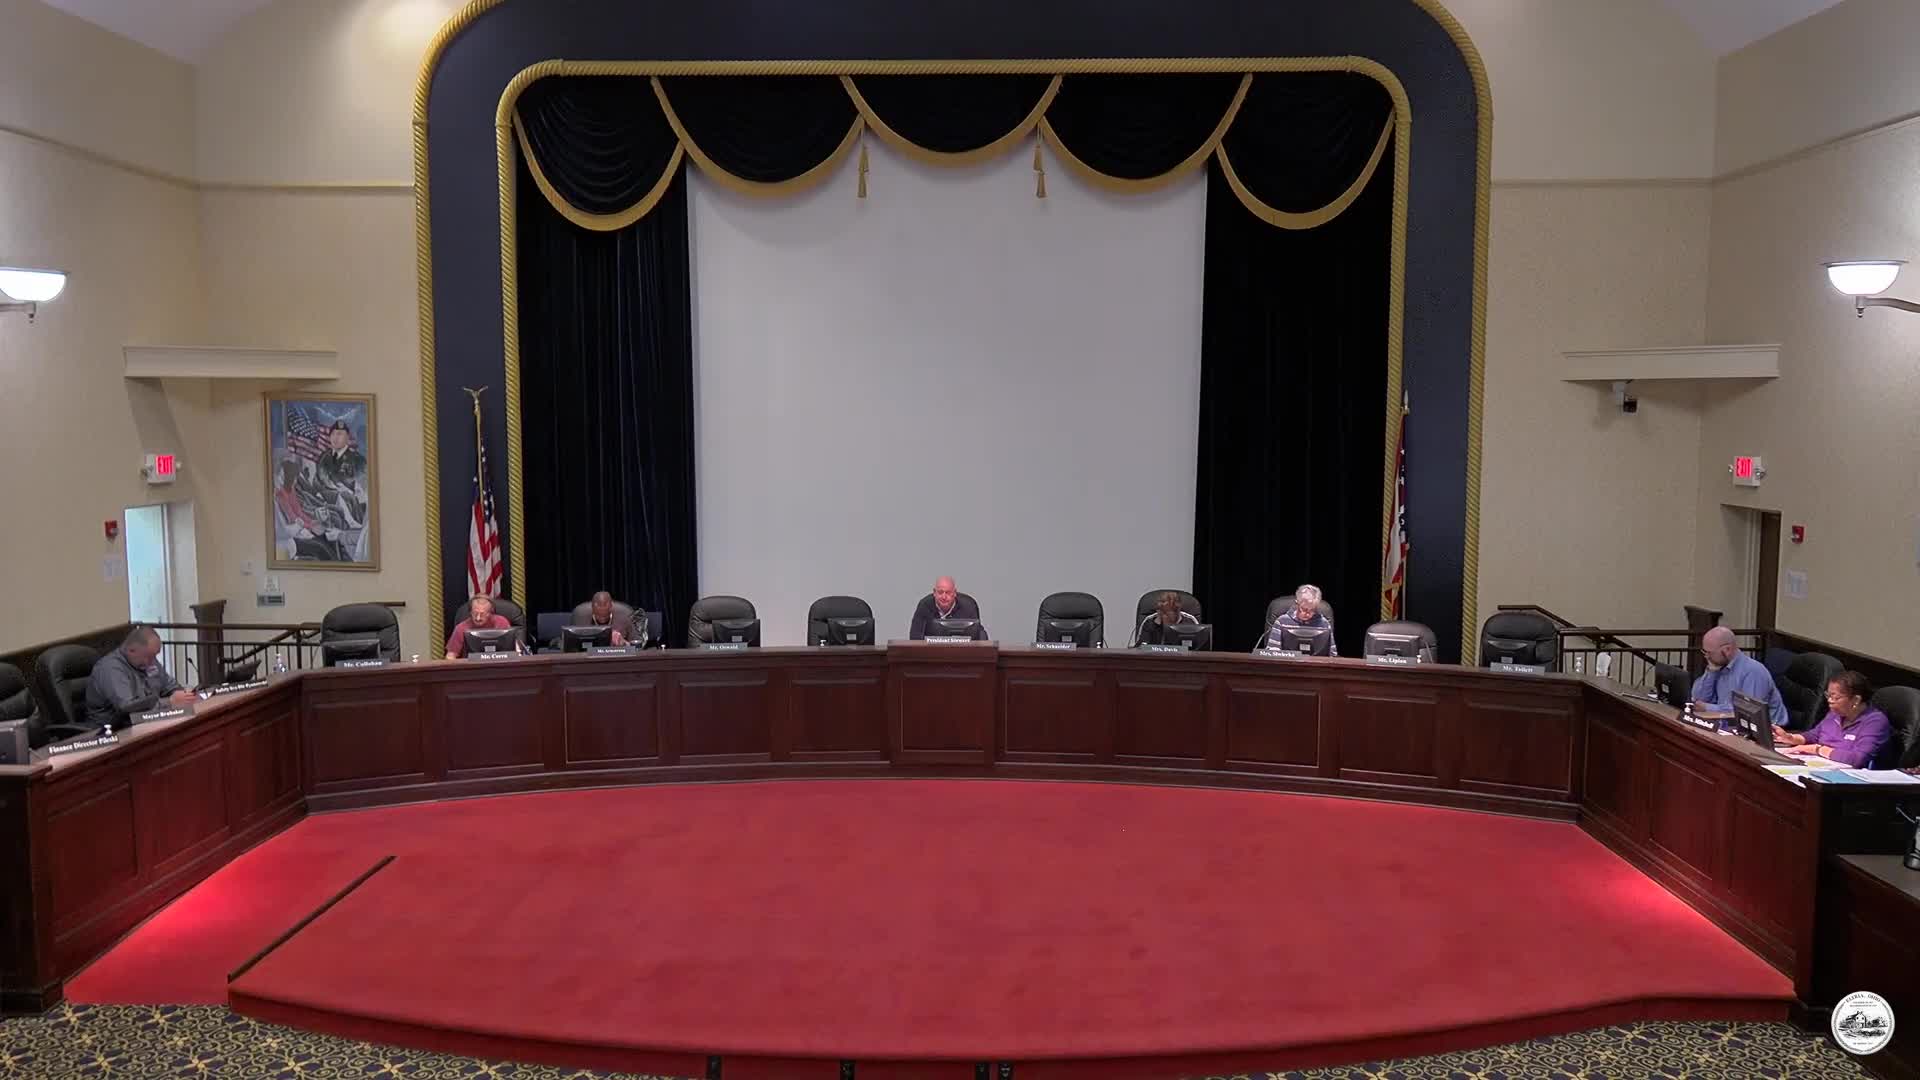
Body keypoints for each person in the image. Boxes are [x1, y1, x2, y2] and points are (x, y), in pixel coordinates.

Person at [85, 626, 196, 728]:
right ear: (131, 650)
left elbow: (168, 685)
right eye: (148, 657)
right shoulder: (111, 668)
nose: (152, 662)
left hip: (146, 723)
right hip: (113, 731)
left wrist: (182, 695)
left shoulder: (149, 661)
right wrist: (169, 702)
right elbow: (129, 708)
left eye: (155, 656)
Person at [1776, 671, 1892, 768]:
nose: (1829, 700)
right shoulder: (1835, 713)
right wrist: (1790, 738)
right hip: (1820, 765)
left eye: (1835, 697)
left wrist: (1818, 750)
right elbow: (1814, 735)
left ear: (1856, 700)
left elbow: (1858, 759)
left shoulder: (1875, 721)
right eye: (1828, 695)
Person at [1689, 626, 1787, 729]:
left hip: (1769, 730)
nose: (1706, 656)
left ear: (1727, 650)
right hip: (1730, 723)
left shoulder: (1753, 671)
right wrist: (1711, 671)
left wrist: (1708, 708)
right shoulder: (1718, 666)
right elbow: (1699, 699)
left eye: (1709, 653)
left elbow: (1748, 711)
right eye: (1704, 652)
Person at [1262, 584, 1335, 655]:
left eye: (1312, 610)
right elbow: (1272, 651)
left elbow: (1332, 654)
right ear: (1297, 603)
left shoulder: (1324, 624)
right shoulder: (1281, 621)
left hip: (1316, 662)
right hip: (1287, 662)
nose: (1308, 614)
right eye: (1304, 609)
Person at [909, 576, 987, 640]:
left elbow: (979, 635)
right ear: (934, 593)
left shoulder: (968, 606)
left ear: (955, 593)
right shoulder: (924, 606)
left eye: (948, 592)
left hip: (961, 652)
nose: (944, 597)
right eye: (940, 592)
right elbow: (915, 637)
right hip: (931, 652)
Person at [445, 595, 519, 659]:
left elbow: (517, 650)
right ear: (470, 612)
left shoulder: (502, 622)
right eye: (475, 613)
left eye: (482, 614)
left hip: (500, 666)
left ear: (490, 613)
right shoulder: (461, 628)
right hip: (472, 668)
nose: (478, 618)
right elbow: (450, 656)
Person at [1134, 591, 1200, 646]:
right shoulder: (1149, 621)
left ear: (1178, 610)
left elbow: (1197, 648)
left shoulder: (1190, 621)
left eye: (1169, 612)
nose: (1165, 616)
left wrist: (1172, 627)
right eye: (1163, 612)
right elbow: (1139, 648)